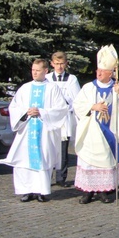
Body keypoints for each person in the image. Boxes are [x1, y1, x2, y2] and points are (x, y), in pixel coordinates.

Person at [73, 45, 119, 204]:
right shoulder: (88, 87)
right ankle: (88, 191)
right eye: (98, 70)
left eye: (102, 71)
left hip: (110, 130)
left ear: (111, 73)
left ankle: (104, 191)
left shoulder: (118, 87)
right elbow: (77, 105)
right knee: (89, 161)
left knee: (107, 161)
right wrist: (92, 107)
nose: (98, 73)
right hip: (91, 131)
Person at [0, 59, 69, 202]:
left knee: (43, 158)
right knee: (24, 160)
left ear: (45, 71)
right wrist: (26, 112)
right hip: (26, 130)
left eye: (37, 70)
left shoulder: (52, 88)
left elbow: (61, 109)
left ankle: (41, 191)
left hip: (44, 131)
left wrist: (42, 112)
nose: (34, 73)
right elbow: (14, 107)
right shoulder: (25, 88)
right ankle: (26, 190)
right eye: (33, 70)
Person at [45, 51, 81, 187]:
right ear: (52, 64)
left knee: (62, 150)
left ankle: (61, 177)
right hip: (50, 118)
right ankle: (47, 177)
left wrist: (66, 105)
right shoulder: (47, 78)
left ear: (66, 64)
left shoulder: (71, 79)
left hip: (64, 118)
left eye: (62, 64)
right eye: (57, 64)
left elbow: (77, 99)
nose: (59, 67)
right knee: (48, 148)